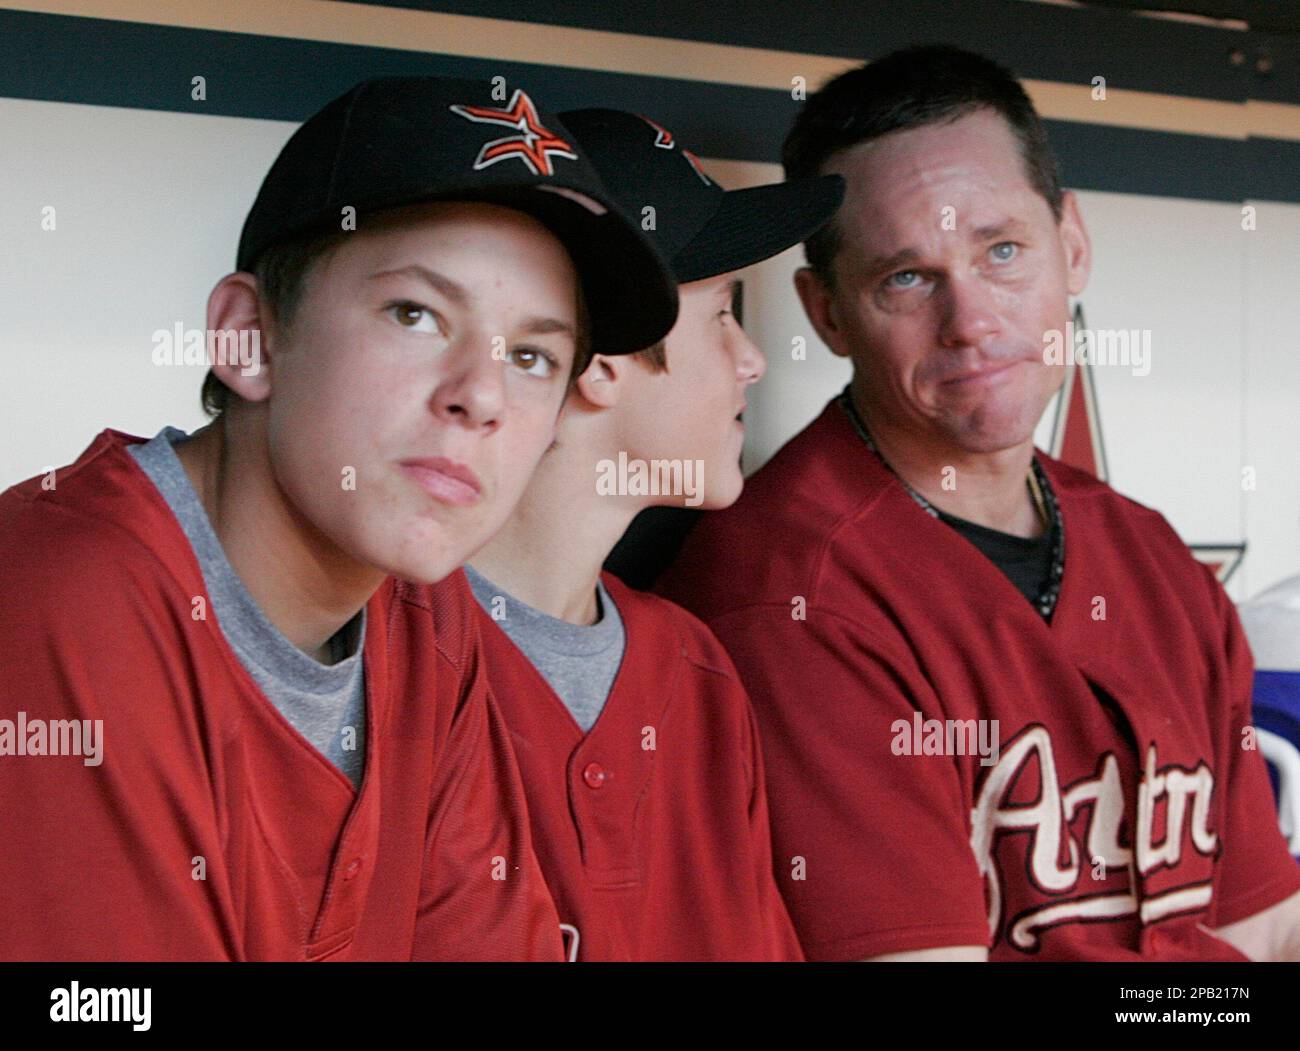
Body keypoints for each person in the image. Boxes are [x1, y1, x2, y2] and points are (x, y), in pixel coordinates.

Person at [0, 76, 678, 960]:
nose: (480, 395)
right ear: (248, 336)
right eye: (416, 313)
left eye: (531, 355)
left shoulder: (427, 614)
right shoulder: (67, 599)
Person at [658, 46, 1300, 962]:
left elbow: (1263, 922)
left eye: (1002, 251)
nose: (972, 322)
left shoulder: (1149, 554)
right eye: (907, 278)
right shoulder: (791, 598)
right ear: (827, 313)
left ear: (1071, 246)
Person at [463, 108, 843, 959]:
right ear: (598, 360)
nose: (752, 359)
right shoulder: (374, 657)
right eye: (721, 314)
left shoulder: (697, 672)